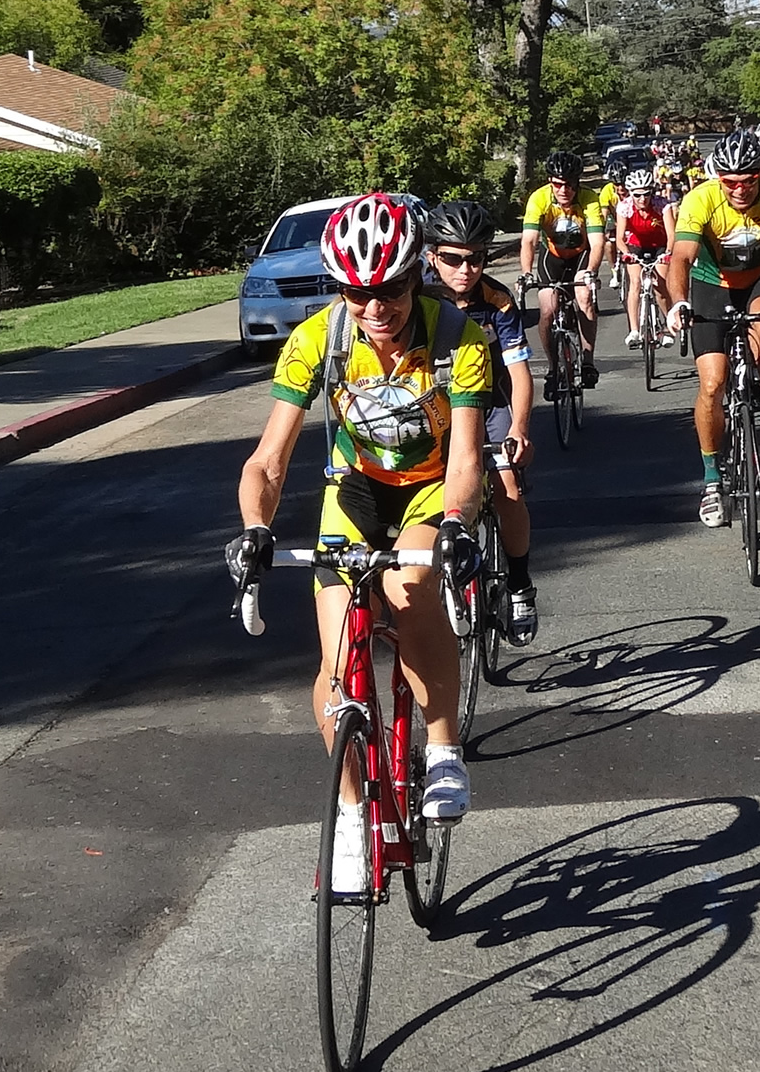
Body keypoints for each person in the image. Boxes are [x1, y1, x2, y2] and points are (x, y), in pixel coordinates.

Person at [226, 192, 493, 888]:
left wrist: (456, 524)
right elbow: (268, 462)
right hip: (357, 488)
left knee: (410, 586)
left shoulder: (460, 338)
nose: (376, 308)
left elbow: (467, 459)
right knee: (338, 653)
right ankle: (351, 817)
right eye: (357, 293)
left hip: (431, 485)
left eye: (391, 291)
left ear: (416, 278)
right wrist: (255, 528)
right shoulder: (318, 339)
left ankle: (443, 751)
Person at [665, 129, 760, 527]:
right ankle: (712, 480)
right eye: (730, 182)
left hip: (759, 281)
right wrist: (678, 302)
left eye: (749, 180)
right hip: (711, 287)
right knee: (713, 384)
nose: (740, 189)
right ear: (719, 178)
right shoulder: (701, 199)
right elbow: (681, 257)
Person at [422, 199, 540, 642]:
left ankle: (520, 585)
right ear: (431, 256)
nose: (465, 269)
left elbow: (519, 373)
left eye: (476, 259)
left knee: (507, 488)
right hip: (434, 407)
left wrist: (520, 428)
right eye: (453, 259)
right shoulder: (417, 298)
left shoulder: (497, 300)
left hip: (488, 403)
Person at [519, 151, 605, 399]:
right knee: (548, 308)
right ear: (550, 182)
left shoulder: (589, 199)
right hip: (553, 258)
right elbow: (529, 240)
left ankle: (587, 360)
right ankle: (552, 367)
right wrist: (526, 273)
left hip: (581, 257)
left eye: (569, 184)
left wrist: (591, 271)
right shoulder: (539, 199)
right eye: (557, 184)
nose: (563, 190)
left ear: (577, 183)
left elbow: (597, 242)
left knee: (584, 298)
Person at [616, 168, 677, 349]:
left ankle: (666, 326)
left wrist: (668, 252)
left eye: (646, 194)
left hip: (659, 246)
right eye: (637, 195)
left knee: (660, 286)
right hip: (636, 246)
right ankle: (634, 330)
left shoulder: (662, 205)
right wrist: (626, 253)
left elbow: (671, 235)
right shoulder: (625, 207)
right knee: (635, 283)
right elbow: (620, 238)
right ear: (631, 193)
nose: (642, 199)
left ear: (652, 192)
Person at [599, 161, 625, 290]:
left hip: (630, 221)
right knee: (609, 245)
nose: (620, 188)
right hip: (614, 221)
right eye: (617, 184)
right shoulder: (606, 191)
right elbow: (604, 215)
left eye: (623, 184)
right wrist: (603, 232)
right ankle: (614, 270)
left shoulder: (632, 188)